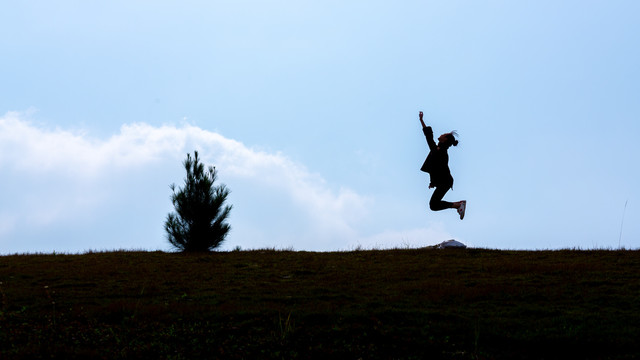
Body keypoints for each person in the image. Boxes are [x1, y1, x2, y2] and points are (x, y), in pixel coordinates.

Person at [418, 111, 466, 219]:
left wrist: (421, 120)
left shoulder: (441, 151)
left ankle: (459, 205)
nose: (441, 135)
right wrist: (433, 182)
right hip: (444, 181)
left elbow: (429, 137)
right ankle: (458, 204)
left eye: (443, 135)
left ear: (445, 140)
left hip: (445, 181)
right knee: (434, 205)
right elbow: (436, 168)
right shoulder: (438, 150)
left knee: (433, 205)